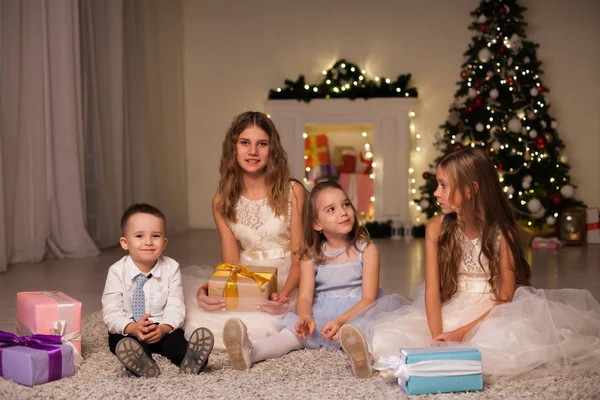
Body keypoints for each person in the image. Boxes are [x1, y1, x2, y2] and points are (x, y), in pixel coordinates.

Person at [370, 147, 600, 376]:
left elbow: (505, 300)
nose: (436, 193)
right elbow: (432, 291)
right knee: (393, 335)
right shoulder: (435, 228)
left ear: (471, 189)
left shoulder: (503, 234)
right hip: (452, 307)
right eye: (437, 185)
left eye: (444, 185)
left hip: (492, 314)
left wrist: (461, 333)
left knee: (502, 347)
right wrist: (437, 337)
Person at [222, 181, 395, 378]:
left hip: (358, 311)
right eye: (331, 209)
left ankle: (360, 358)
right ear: (316, 224)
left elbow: (368, 299)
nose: (343, 212)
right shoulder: (310, 255)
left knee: (367, 332)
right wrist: (305, 317)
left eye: (346, 204)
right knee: (291, 335)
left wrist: (340, 321)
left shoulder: (367, 250)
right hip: (322, 312)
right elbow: (304, 297)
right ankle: (251, 351)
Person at [181, 111, 305, 349]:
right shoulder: (221, 202)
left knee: (267, 326)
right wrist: (212, 288)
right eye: (245, 143)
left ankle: (254, 345)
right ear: (233, 148)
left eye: (262, 144)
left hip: (290, 278)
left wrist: (285, 296)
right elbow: (230, 263)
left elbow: (301, 257)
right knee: (203, 321)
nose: (253, 152)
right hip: (250, 280)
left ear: (272, 150)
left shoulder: (292, 191)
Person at [102, 203, 214, 377]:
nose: (148, 242)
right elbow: (111, 311)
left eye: (155, 236)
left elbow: (176, 305)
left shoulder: (171, 268)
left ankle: (192, 360)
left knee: (176, 342)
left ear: (164, 242)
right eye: (139, 236)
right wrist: (132, 327)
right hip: (130, 327)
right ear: (125, 242)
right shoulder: (116, 271)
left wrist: (163, 328)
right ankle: (142, 364)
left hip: (160, 326)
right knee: (123, 342)